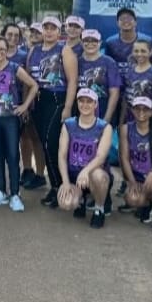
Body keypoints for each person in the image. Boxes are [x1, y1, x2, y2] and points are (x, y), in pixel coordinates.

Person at [25, 16, 79, 203]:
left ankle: (59, 186)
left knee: (51, 144)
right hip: (38, 101)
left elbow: (72, 81)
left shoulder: (64, 50)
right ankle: (55, 185)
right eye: (46, 28)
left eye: (52, 28)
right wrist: (27, 104)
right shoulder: (34, 50)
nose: (48, 32)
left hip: (57, 100)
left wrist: (68, 107)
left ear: (58, 31)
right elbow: (29, 79)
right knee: (43, 143)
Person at [0, 36, 38, 212]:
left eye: (2, 49)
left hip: (10, 119)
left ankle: (15, 193)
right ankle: (1, 190)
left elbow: (34, 85)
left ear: (7, 51)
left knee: (13, 155)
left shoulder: (14, 68)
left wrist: (24, 105)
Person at [57, 87, 114, 229]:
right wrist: (65, 182)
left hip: (94, 175)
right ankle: (80, 200)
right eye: (81, 101)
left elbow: (101, 157)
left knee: (98, 176)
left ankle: (99, 208)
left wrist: (86, 171)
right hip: (74, 176)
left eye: (89, 101)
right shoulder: (69, 124)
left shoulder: (104, 127)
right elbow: (62, 155)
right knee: (66, 203)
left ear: (95, 104)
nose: (85, 104)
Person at [119, 96, 152, 234]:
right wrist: (132, 182)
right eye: (137, 108)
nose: (141, 112)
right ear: (132, 110)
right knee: (132, 198)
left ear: (151, 112)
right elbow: (124, 158)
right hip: (138, 176)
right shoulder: (126, 128)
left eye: (145, 109)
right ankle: (148, 204)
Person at [73, 30, 121, 124]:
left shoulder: (109, 63)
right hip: (81, 109)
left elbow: (114, 93)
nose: (90, 44)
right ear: (81, 43)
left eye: (94, 41)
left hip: (102, 108)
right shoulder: (76, 62)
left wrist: (107, 117)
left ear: (100, 43)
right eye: (86, 40)